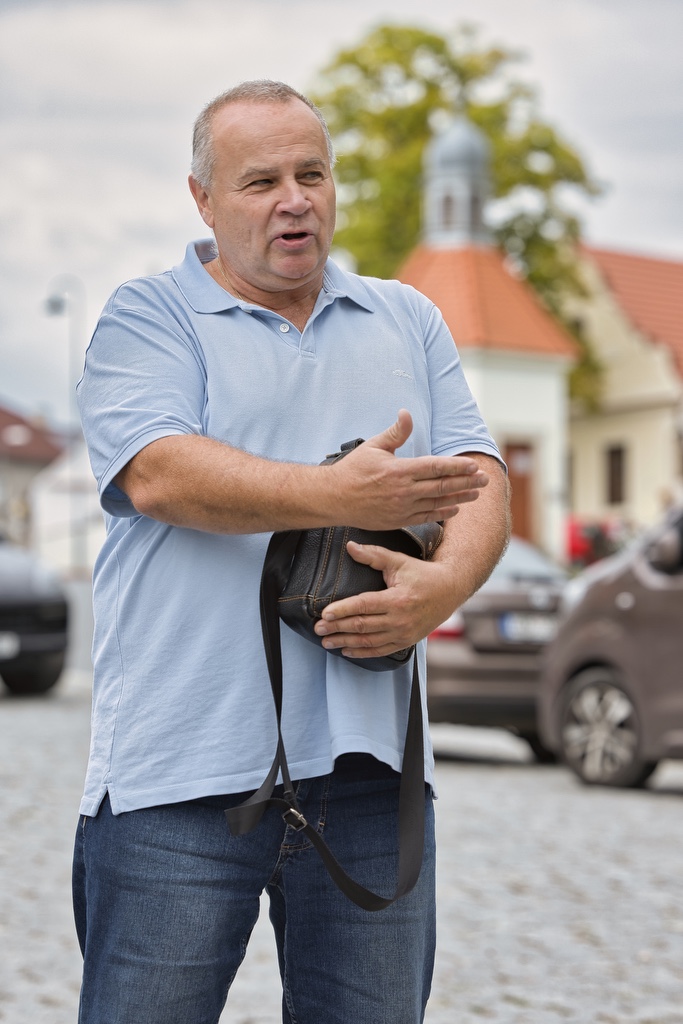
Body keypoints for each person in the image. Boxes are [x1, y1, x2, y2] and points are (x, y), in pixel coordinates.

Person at [73, 79, 510, 1024]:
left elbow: (481, 474)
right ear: (203, 199)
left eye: (311, 175)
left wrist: (442, 586)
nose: (293, 200)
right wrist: (339, 493)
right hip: (179, 778)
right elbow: (159, 474)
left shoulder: (407, 316)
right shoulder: (148, 316)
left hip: (369, 779)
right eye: (260, 181)